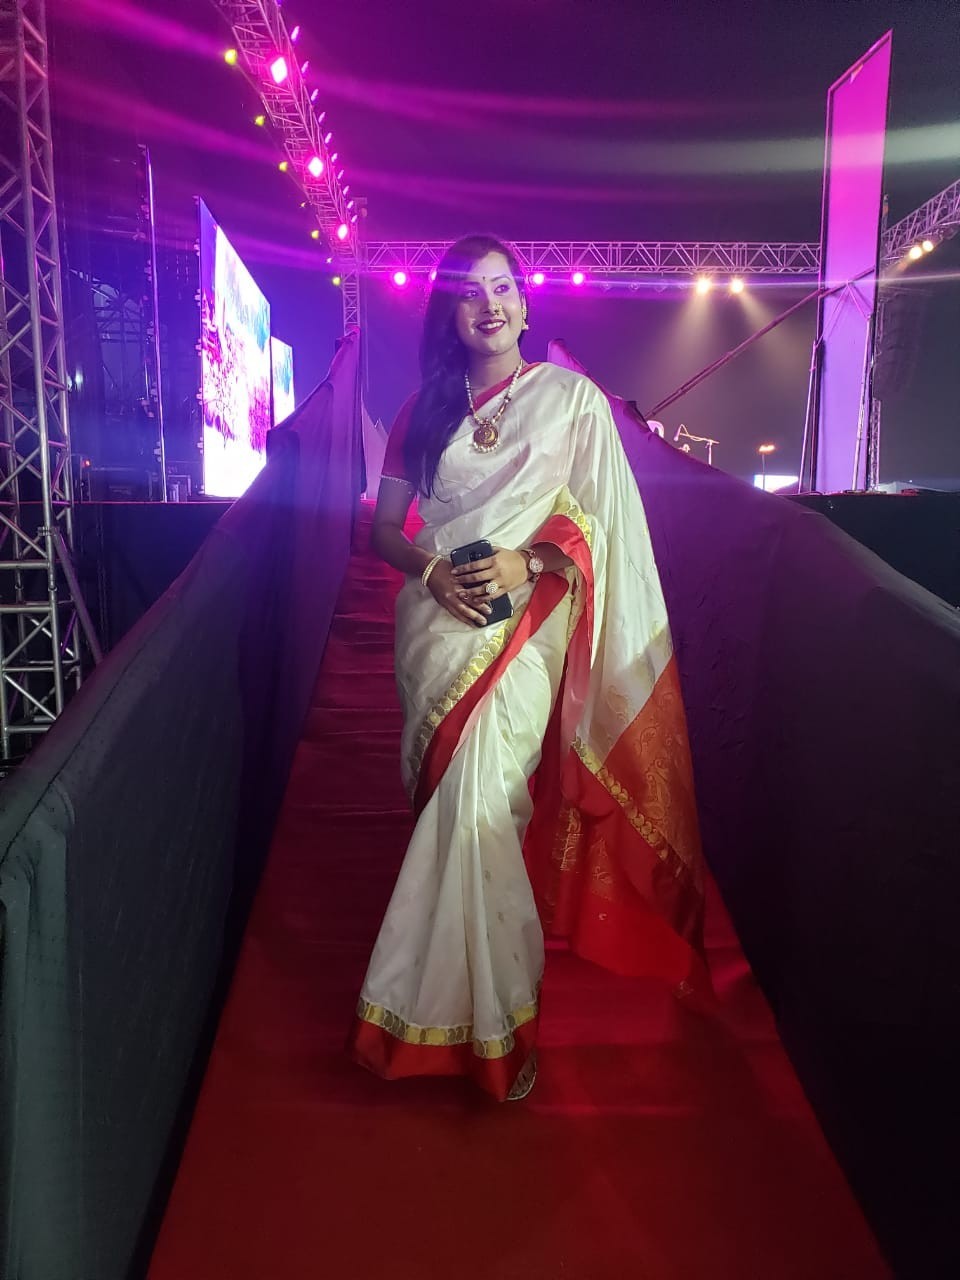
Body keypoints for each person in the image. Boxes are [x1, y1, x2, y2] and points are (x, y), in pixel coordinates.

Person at [348, 235, 707, 1102]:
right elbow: (385, 529)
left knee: (486, 805)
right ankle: (453, 1018)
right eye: (471, 292)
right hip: (437, 628)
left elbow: (600, 522)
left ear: (525, 302)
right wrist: (431, 572)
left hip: (526, 624)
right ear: (449, 311)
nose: (491, 304)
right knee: (455, 808)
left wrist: (525, 560)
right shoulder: (420, 411)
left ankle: (496, 1028)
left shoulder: (572, 402)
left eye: (504, 287)